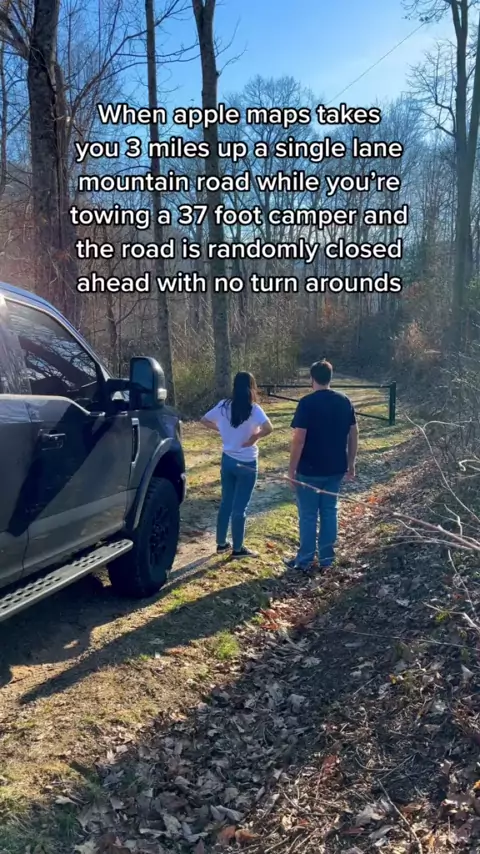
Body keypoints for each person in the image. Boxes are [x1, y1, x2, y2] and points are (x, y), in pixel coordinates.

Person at [285, 360, 358, 573]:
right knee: (329, 511)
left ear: (312, 378)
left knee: (308, 515)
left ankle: (305, 559)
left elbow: (299, 438)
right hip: (335, 467)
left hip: (309, 468)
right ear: (330, 378)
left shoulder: (307, 403)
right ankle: (327, 558)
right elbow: (354, 433)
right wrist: (351, 462)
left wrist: (291, 470)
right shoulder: (344, 401)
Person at [201, 372, 273, 558]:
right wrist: (255, 437)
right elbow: (269, 428)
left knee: (226, 502)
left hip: (228, 460)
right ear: (252, 387)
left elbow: (204, 419)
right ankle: (238, 548)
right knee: (240, 507)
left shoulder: (223, 406)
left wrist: (221, 429)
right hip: (247, 463)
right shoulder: (254, 409)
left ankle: (221, 543)